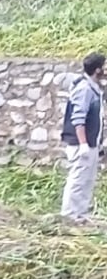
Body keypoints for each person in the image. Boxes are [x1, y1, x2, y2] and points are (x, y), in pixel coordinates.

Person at [60, 53, 104, 224]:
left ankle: (80, 214)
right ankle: (69, 215)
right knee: (77, 180)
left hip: (91, 143)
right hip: (80, 144)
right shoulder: (84, 89)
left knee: (87, 179)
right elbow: (78, 119)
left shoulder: (93, 87)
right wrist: (84, 144)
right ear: (98, 69)